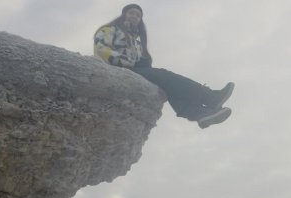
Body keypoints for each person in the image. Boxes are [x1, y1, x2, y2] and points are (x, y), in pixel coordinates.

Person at [94, 4, 234, 129]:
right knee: (164, 75)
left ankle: (200, 114)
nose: (135, 16)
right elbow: (101, 49)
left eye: (138, 15)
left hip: (133, 69)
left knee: (167, 84)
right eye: (131, 13)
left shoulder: (136, 40)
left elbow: (138, 60)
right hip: (117, 69)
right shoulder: (110, 29)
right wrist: (128, 62)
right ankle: (209, 97)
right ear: (124, 14)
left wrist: (143, 62)